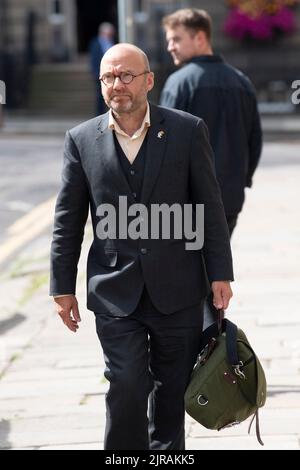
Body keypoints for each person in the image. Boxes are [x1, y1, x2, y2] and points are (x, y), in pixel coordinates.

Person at [50, 43, 233, 450]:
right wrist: (61, 286)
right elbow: (68, 221)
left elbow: (210, 207)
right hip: (114, 290)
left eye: (127, 75)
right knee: (127, 382)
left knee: (172, 392)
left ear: (149, 80)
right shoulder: (81, 140)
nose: (118, 84)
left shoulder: (187, 130)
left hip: (180, 287)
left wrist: (220, 273)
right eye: (109, 77)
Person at [160, 8, 263, 236]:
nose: (170, 47)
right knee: (219, 268)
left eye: (176, 39)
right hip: (230, 198)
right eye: (169, 41)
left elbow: (163, 144)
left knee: (188, 269)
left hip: (189, 201)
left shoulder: (178, 84)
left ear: (200, 37)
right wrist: (241, 180)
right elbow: (255, 141)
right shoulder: (242, 82)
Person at [89, 22, 115, 115]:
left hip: (112, 75)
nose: (110, 35)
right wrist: (95, 73)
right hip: (100, 75)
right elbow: (93, 59)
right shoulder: (95, 43)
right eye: (108, 33)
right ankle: (99, 116)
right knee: (100, 97)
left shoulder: (112, 42)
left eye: (111, 33)